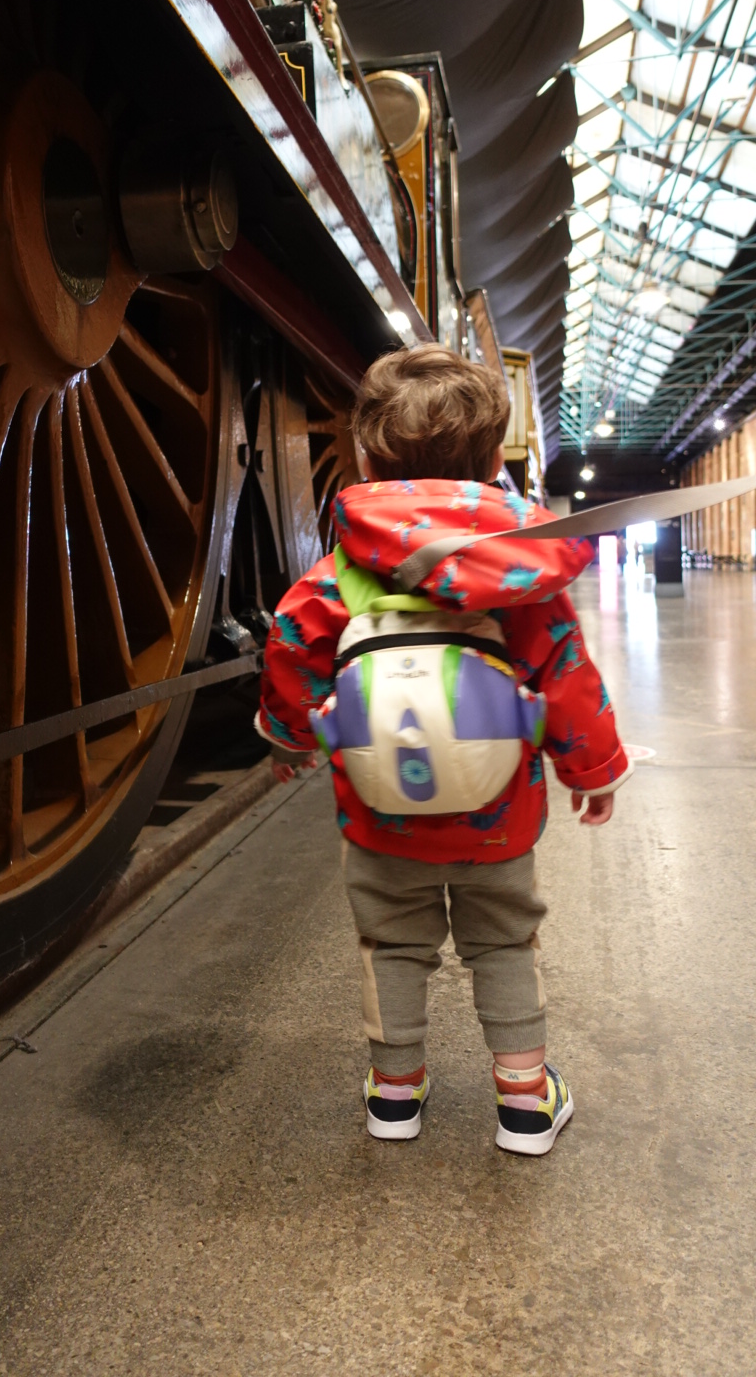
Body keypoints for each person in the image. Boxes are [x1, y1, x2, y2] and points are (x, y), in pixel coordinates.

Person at [255, 346, 630, 1155]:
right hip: (500, 817)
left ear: (365, 459)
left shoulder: (337, 576)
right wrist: (592, 771)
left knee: (392, 944)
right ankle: (525, 1102)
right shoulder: (520, 579)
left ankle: (394, 1096)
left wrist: (289, 741)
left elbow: (289, 653)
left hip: (379, 817)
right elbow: (568, 676)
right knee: (503, 942)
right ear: (494, 464)